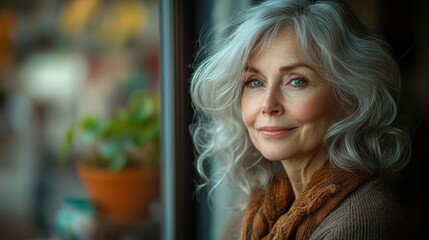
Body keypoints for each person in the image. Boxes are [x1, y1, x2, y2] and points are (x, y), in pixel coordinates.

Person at [190, 0, 412, 239]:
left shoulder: (363, 220)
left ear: (350, 99)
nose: (268, 105)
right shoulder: (259, 200)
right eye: (255, 82)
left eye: (296, 81)